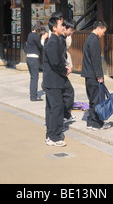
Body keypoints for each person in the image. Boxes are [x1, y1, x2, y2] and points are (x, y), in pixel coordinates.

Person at [43, 15, 71, 147]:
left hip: (51, 80)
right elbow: (55, 63)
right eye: (61, 25)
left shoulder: (54, 40)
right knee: (57, 107)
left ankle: (50, 134)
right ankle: (53, 136)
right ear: (54, 28)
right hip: (53, 81)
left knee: (51, 108)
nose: (63, 27)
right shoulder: (53, 41)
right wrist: (65, 70)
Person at [81, 20, 111, 130]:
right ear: (99, 28)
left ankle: (91, 121)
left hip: (88, 74)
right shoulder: (94, 40)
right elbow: (96, 60)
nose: (104, 34)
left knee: (92, 99)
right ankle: (97, 123)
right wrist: (99, 75)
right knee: (98, 100)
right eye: (103, 31)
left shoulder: (89, 39)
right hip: (93, 75)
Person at [26, 21, 48, 101]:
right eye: (41, 30)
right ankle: (33, 97)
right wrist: (43, 39)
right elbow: (41, 47)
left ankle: (32, 95)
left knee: (33, 77)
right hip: (33, 58)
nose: (42, 32)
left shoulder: (30, 34)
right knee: (35, 77)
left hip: (28, 58)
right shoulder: (35, 36)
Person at [60, 19, 76, 124]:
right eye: (70, 30)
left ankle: (66, 114)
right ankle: (65, 115)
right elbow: (59, 57)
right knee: (69, 92)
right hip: (60, 72)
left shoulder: (61, 38)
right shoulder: (59, 40)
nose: (71, 33)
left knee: (66, 93)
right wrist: (65, 68)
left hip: (61, 71)